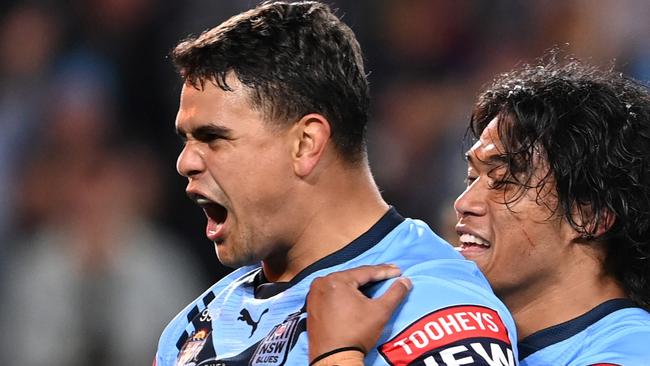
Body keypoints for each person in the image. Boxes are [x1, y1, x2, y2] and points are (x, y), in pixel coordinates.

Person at [154, 2, 518, 365]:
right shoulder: (192, 328)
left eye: (213, 138)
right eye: (186, 140)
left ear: (306, 143)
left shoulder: (435, 308)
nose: (185, 162)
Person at [306, 57, 650, 365]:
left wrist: (337, 356)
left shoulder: (630, 351)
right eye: (471, 177)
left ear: (589, 215)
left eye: (503, 181)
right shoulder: (460, 334)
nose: (464, 203)